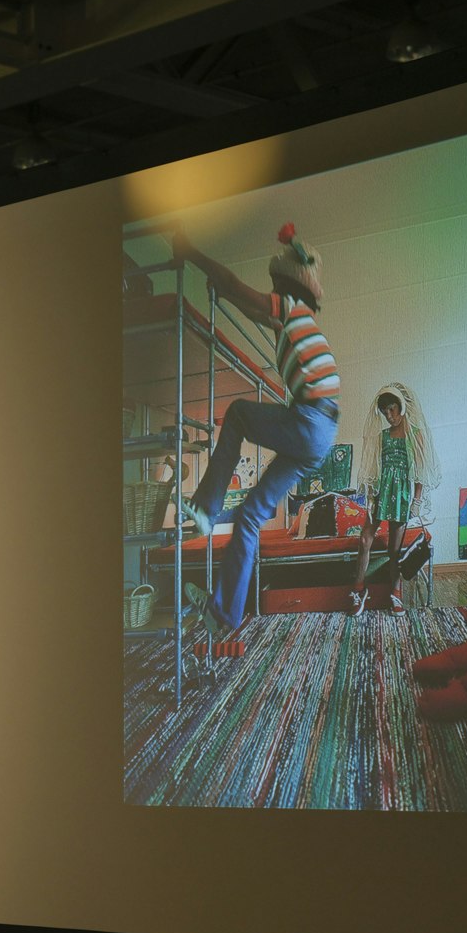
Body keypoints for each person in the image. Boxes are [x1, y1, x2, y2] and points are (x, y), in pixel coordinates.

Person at [174, 221, 340, 633]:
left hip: (309, 419)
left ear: (284, 286)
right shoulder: (296, 320)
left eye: (272, 285)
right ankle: (224, 614)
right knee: (250, 516)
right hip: (320, 434)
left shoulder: (289, 308)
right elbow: (249, 306)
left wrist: (191, 253)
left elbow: (237, 286)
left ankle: (206, 507)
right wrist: (224, 291)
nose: (269, 292)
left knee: (237, 414)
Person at [346, 382, 441, 615]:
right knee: (364, 540)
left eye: (392, 409)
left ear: (401, 406)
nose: (389, 416)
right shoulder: (382, 436)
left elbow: (421, 470)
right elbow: (374, 468)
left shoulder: (415, 434)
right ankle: (359, 589)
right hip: (381, 491)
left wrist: (416, 501)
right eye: (385, 412)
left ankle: (395, 594)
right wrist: (371, 496)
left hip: (401, 494)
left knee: (394, 550)